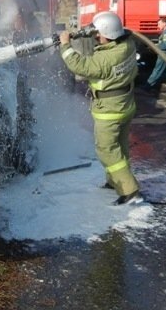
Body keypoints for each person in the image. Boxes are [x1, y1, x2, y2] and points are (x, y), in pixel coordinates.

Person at [59, 12, 142, 205]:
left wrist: (65, 45)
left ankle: (130, 191)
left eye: (98, 34)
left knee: (106, 148)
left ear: (107, 33)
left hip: (110, 110)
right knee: (119, 146)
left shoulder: (105, 59)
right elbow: (111, 38)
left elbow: (80, 65)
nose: (96, 37)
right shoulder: (127, 45)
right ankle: (115, 181)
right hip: (125, 104)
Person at [145, 18, 166, 96]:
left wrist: (155, 46)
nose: (158, 26)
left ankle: (147, 86)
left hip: (164, 55)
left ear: (164, 24)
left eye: (159, 24)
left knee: (157, 70)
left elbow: (165, 45)